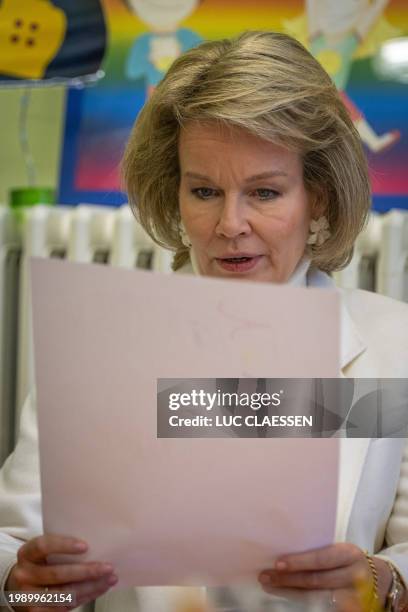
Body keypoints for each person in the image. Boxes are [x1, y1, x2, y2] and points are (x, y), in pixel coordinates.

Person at [1, 30, 408, 612]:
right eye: (205, 190)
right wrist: (30, 592)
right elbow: (23, 567)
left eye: (264, 192)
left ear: (316, 197)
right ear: (175, 191)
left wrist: (384, 583)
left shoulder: (394, 344)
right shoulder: (100, 348)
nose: (229, 223)